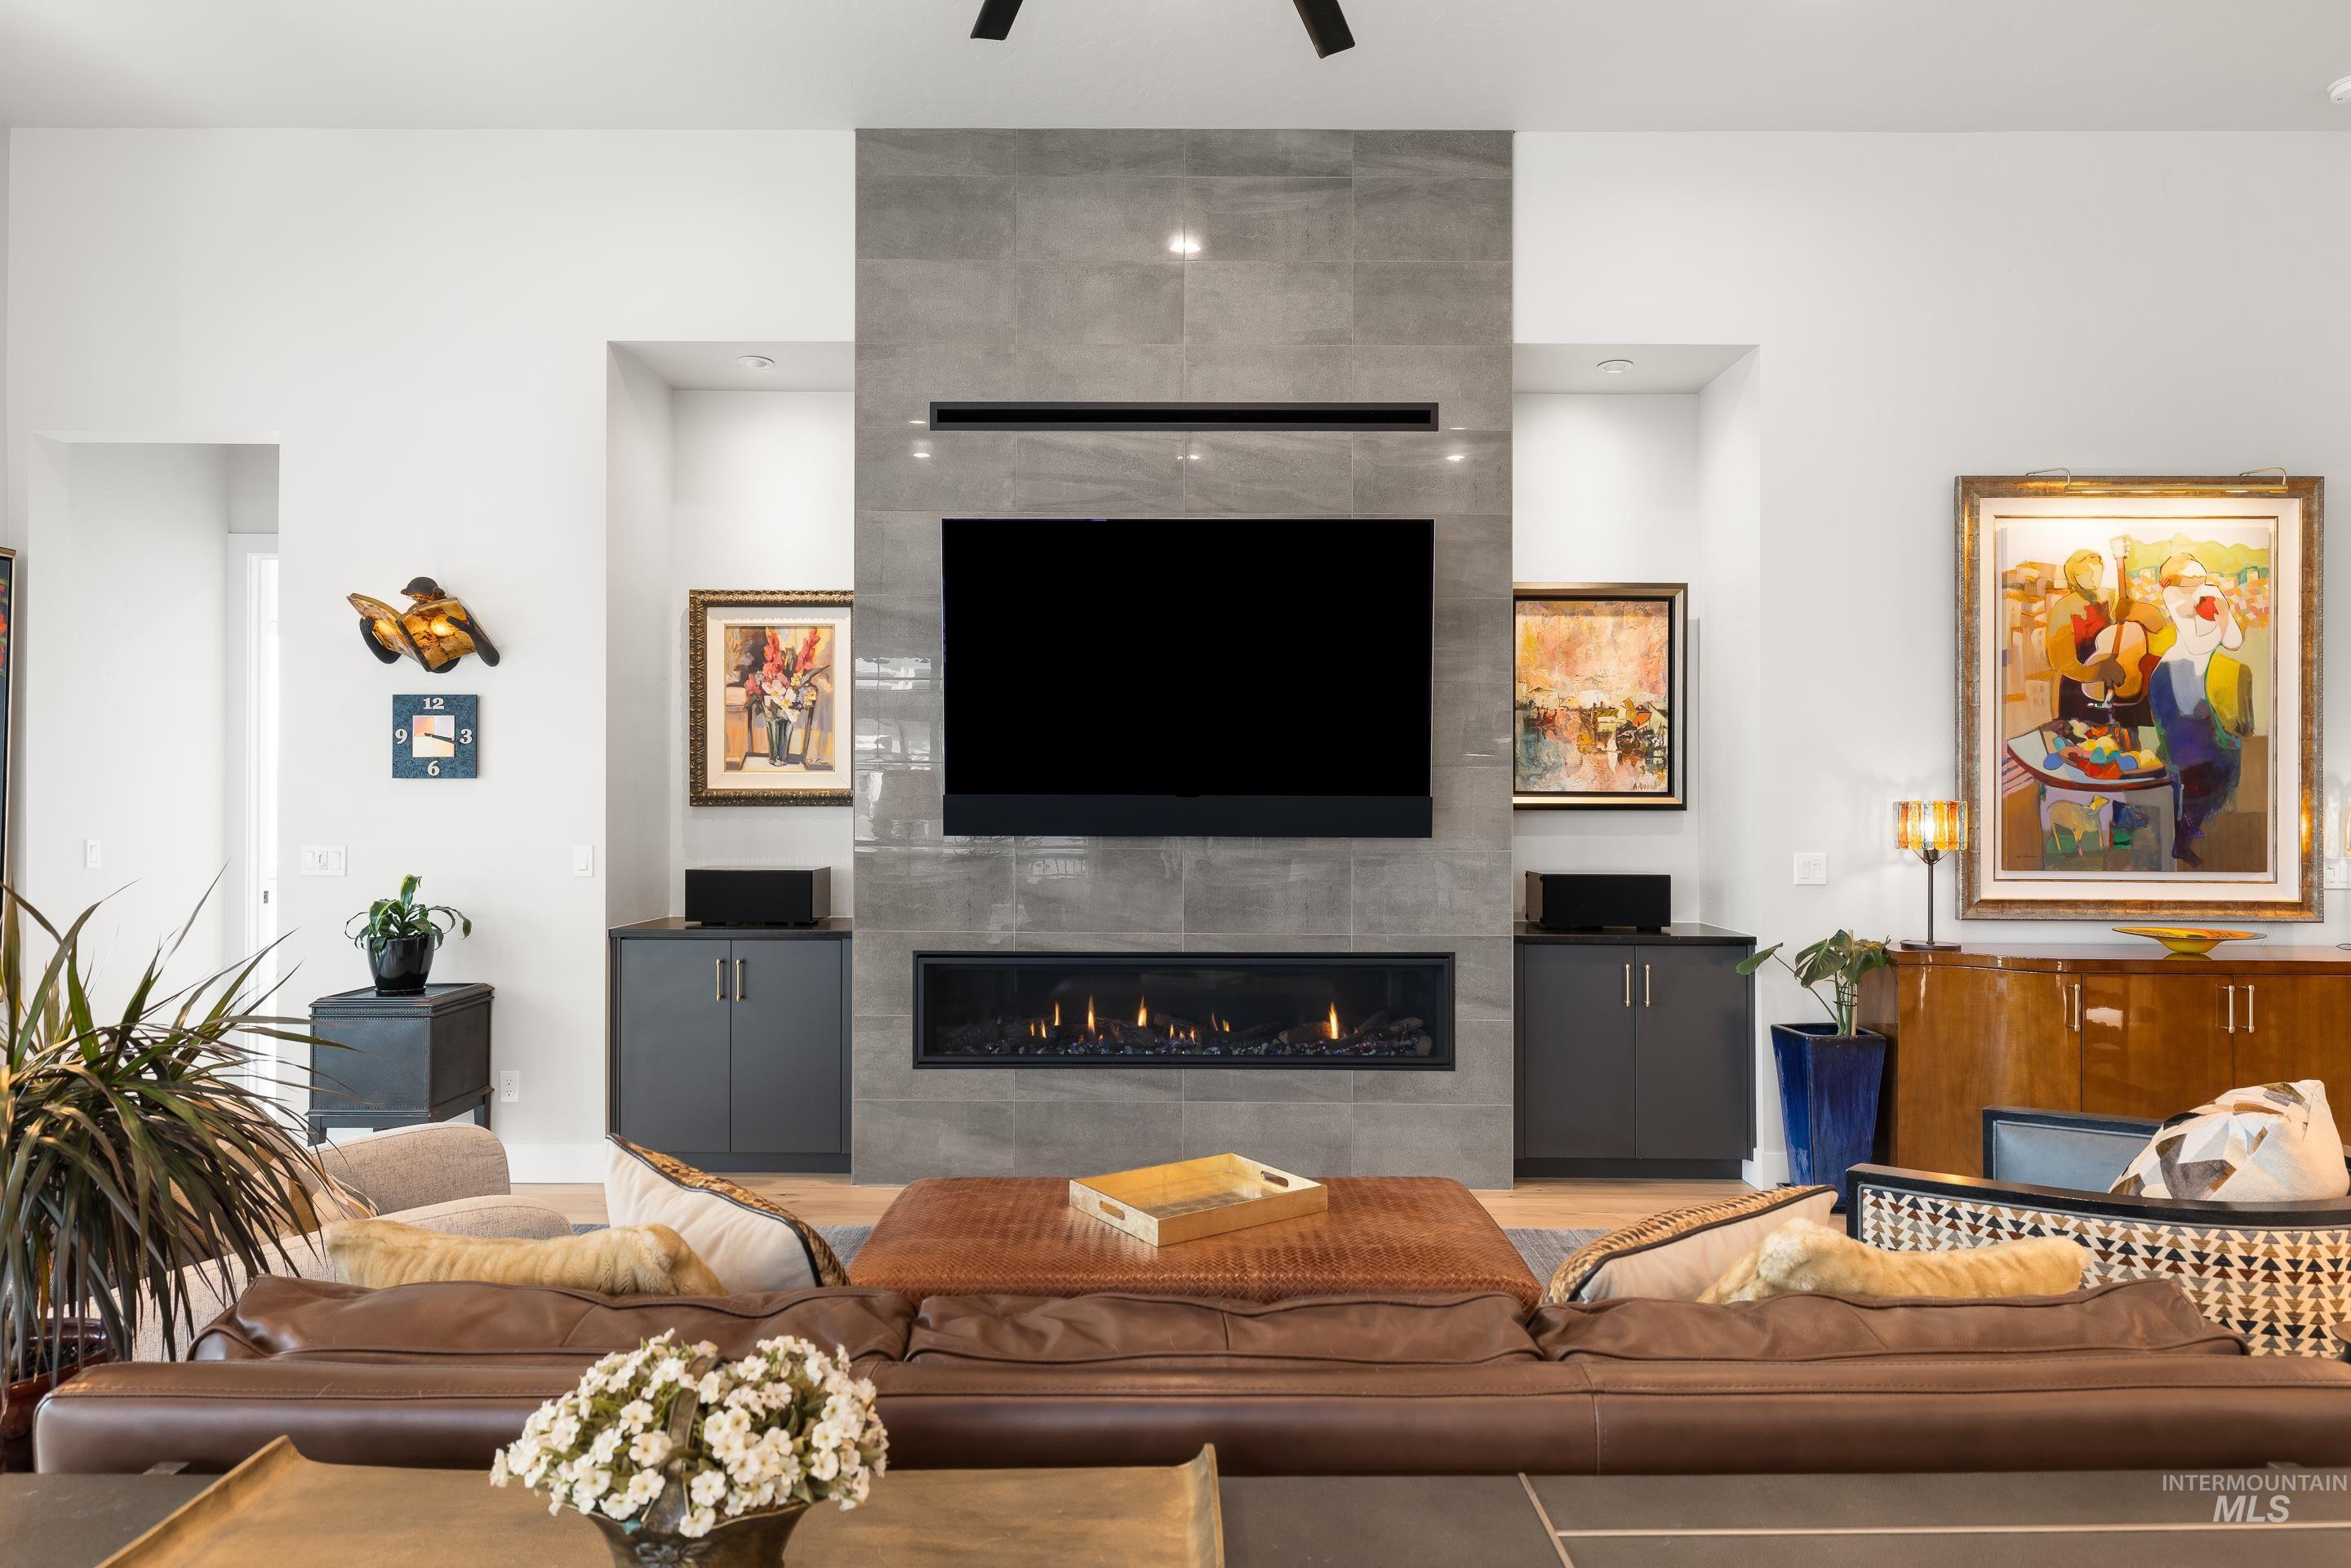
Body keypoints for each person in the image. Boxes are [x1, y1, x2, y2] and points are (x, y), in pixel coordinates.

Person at [2149, 552, 2243, 868]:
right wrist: (2219, 623)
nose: (2199, 586)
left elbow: (2234, 641)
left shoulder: (2208, 594)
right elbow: (2196, 645)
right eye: (2192, 580)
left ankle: (2188, 825)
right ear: (2175, 582)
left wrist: (2225, 617)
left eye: (2201, 579)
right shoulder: (2174, 598)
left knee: (2224, 759)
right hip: (2172, 682)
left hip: (2193, 684)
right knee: (2191, 765)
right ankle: (2181, 840)